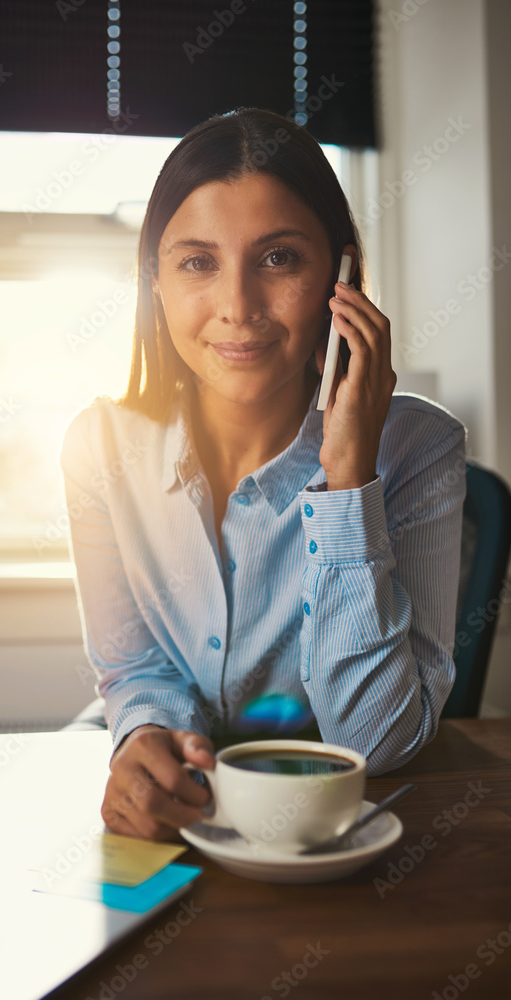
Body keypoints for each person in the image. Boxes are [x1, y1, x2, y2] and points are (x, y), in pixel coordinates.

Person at [61, 108, 466, 842]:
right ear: (154, 280)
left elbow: (373, 746)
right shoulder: (98, 447)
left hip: (320, 827)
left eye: (278, 258)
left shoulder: (420, 447)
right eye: (197, 263)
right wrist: (153, 739)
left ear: (341, 277)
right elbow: (136, 669)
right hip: (178, 816)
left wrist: (348, 479)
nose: (238, 308)